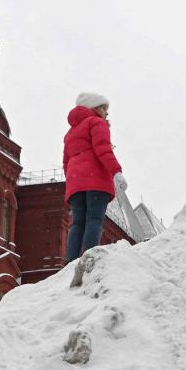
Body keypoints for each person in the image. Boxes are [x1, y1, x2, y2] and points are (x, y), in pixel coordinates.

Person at [63, 92, 126, 264]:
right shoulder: (96, 122)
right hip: (95, 180)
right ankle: (89, 258)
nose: (107, 113)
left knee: (77, 223)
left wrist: (73, 182)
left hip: (75, 182)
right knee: (94, 219)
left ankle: (71, 261)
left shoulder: (70, 133)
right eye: (104, 108)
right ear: (94, 108)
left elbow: (66, 162)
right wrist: (116, 171)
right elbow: (103, 149)